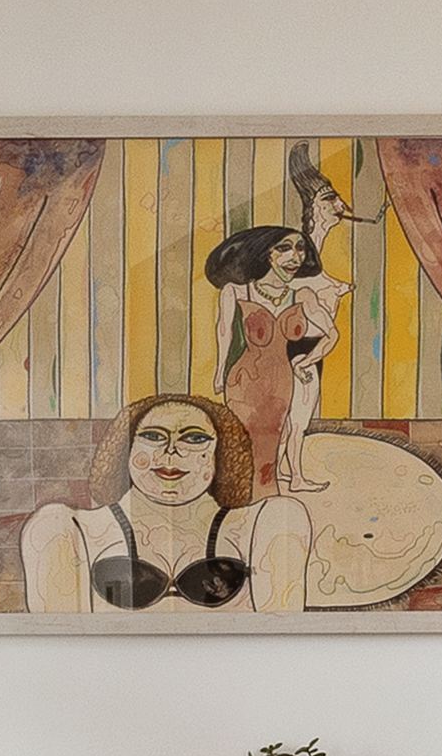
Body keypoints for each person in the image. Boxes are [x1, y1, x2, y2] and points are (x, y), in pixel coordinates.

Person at [19, 392, 310, 616]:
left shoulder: (266, 522)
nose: (171, 451)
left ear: (222, 451)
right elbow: (58, 652)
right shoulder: (65, 529)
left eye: (194, 438)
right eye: (153, 436)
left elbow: (281, 642)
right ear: (126, 448)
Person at [201, 210, 353, 499]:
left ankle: (266, 500)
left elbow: (332, 335)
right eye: (284, 248)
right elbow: (224, 331)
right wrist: (220, 370)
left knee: (275, 441)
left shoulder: (304, 295)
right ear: (265, 254)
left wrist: (306, 360)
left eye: (300, 248)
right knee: (243, 441)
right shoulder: (236, 290)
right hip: (245, 381)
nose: (295, 256)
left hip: (283, 380)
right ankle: (236, 498)